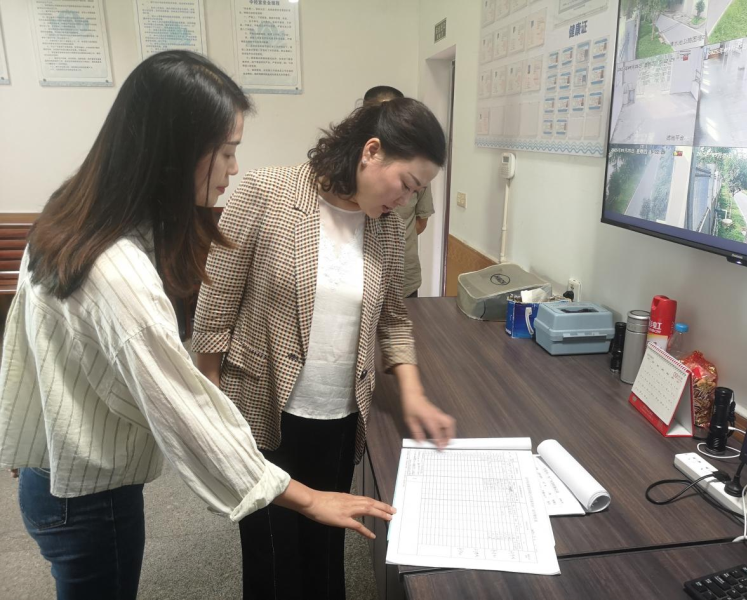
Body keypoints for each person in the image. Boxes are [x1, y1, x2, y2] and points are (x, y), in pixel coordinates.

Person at [0, 50, 394, 600]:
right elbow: (183, 413)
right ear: (175, 151)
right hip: (89, 494)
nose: (234, 168)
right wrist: (308, 499)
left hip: (54, 472)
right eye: (226, 151)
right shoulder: (117, 271)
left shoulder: (67, 216)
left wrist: (26, 441)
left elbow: (26, 347)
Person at [192, 97, 456, 600]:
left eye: (416, 192)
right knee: (272, 560)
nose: (406, 200)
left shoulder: (385, 226)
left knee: (326, 551)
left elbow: (393, 319)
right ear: (371, 152)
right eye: (406, 184)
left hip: (339, 416)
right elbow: (216, 302)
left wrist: (414, 394)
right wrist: (211, 403)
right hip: (262, 409)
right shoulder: (268, 192)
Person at [363, 85, 436, 298]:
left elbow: (420, 222)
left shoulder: (416, 169)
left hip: (403, 275)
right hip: (360, 278)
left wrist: (392, 241)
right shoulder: (356, 164)